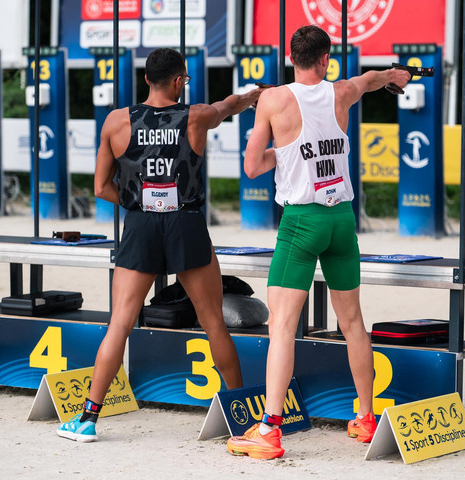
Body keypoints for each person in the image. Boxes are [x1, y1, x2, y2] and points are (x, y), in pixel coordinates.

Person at [57, 48, 265, 442]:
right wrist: (254, 95)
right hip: (185, 222)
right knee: (212, 321)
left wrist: (138, 202)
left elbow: (101, 188)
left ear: (146, 80)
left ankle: (86, 419)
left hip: (140, 225)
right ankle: (241, 417)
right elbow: (230, 105)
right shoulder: (197, 116)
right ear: (178, 80)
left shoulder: (117, 121)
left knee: (119, 322)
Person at [226, 25, 411, 459]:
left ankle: (270, 430)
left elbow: (253, 166)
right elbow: (373, 79)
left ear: (291, 57)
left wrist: (284, 152)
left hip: (301, 222)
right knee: (353, 325)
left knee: (282, 327)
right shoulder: (343, 91)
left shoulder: (273, 99)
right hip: (341, 221)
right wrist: (394, 75)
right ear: (326, 57)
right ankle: (367, 419)